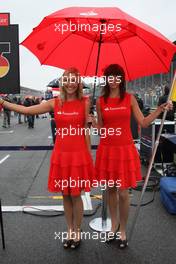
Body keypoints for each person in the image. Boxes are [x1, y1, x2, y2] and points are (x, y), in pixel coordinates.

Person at [0, 67, 94, 249]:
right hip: (61, 154)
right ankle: (70, 230)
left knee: (76, 194)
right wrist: (3, 103)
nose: (70, 83)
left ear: (78, 83)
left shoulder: (85, 102)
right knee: (65, 194)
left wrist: (89, 153)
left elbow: (86, 132)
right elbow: (28, 111)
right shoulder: (54, 103)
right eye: (67, 79)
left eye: (74, 80)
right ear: (62, 82)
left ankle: (78, 230)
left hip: (78, 154)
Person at [88, 64, 173, 249]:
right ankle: (113, 225)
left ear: (121, 79)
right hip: (107, 149)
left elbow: (143, 122)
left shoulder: (130, 98)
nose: (113, 80)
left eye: (117, 76)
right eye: (110, 76)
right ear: (106, 79)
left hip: (124, 149)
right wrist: (93, 122)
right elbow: (101, 130)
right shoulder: (100, 101)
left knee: (123, 193)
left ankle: (123, 230)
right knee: (110, 190)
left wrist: (159, 109)